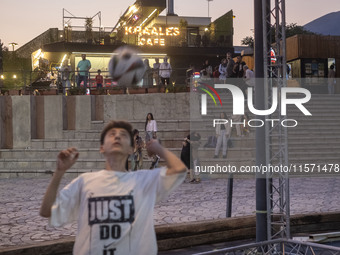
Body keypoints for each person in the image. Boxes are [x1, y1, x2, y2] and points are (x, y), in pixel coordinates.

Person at [40, 120, 186, 255]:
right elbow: (46, 211)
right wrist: (59, 172)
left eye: (123, 135)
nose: (117, 137)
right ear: (102, 148)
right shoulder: (84, 181)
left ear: (131, 149)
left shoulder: (144, 180)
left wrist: (158, 148)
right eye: (112, 134)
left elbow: (179, 169)